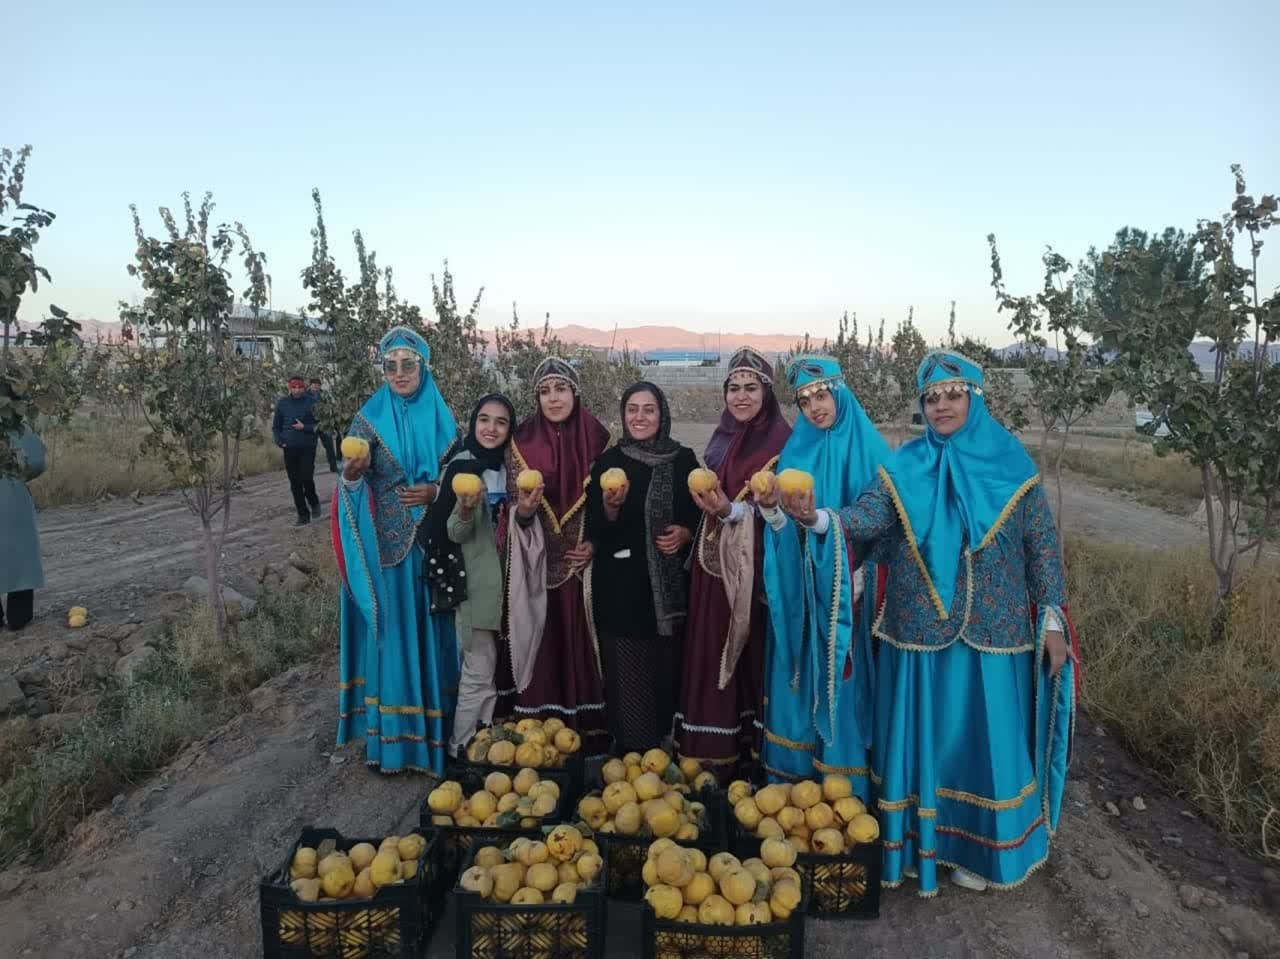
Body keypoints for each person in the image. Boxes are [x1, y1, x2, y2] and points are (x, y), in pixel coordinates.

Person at [782, 349, 1079, 895]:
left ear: (975, 398)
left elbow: (1040, 545)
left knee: (984, 746)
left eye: (952, 395)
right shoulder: (906, 465)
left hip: (995, 631)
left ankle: (982, 853)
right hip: (917, 629)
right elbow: (869, 515)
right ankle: (925, 845)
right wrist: (820, 519)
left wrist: (1054, 618)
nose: (941, 406)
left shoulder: (1011, 464)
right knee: (928, 742)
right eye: (932, 397)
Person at [756, 356, 892, 794]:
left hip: (849, 593)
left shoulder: (874, 452)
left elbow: (882, 519)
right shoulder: (796, 450)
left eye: (821, 395)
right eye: (804, 401)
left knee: (842, 684)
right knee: (797, 680)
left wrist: (861, 565)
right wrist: (773, 517)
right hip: (804, 592)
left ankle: (842, 791)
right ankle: (791, 786)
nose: (814, 408)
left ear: (840, 393)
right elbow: (789, 528)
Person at [332, 327, 460, 775]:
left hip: (433, 549)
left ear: (424, 367)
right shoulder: (367, 420)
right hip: (388, 555)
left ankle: (441, 738)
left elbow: (466, 476)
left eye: (409, 365)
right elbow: (347, 486)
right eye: (391, 366)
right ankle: (395, 744)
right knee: (395, 639)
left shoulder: (444, 419)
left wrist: (436, 491)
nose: (400, 373)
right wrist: (352, 476)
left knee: (436, 637)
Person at [673, 348, 791, 781]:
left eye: (751, 388)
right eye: (734, 388)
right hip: (711, 568)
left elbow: (783, 514)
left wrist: (732, 513)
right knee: (712, 653)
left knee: (750, 653)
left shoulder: (784, 443)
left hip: (753, 569)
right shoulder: (721, 438)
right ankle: (712, 753)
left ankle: (753, 758)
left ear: (768, 393)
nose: (741, 396)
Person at [497, 357, 611, 756]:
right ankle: (538, 743)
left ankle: (589, 742)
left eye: (561, 389)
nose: (553, 398)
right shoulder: (520, 443)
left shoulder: (599, 439)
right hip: (536, 565)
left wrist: (594, 543)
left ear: (575, 393)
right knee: (540, 647)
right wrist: (525, 513)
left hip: (583, 570)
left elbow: (609, 506)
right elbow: (511, 509)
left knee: (583, 649)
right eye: (544, 391)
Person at [418, 393, 540, 756]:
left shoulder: (509, 467)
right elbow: (451, 532)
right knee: (478, 673)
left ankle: (480, 749)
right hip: (476, 589)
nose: (491, 428)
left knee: (490, 672)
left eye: (501, 422)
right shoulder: (462, 468)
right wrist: (466, 511)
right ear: (473, 424)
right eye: (484, 419)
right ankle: (460, 749)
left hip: (507, 585)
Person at [584, 382, 700, 754]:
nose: (639, 417)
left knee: (666, 674)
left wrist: (685, 533)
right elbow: (596, 530)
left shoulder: (683, 460)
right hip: (622, 593)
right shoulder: (609, 462)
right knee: (628, 678)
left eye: (648, 409)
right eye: (632, 409)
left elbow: (700, 516)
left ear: (662, 415)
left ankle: (665, 753)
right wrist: (611, 507)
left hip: (668, 597)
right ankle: (632, 756)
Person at [1, 421, 46, 632]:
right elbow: (36, 462)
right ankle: (19, 616)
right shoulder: (15, 425)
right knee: (20, 556)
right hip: (11, 496)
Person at [273, 375, 321, 526]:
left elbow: (320, 426)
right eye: (294, 387)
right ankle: (303, 515)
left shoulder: (312, 402)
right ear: (289, 387)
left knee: (306, 478)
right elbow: (276, 426)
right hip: (290, 447)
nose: (297, 390)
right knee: (295, 482)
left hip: (307, 446)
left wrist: (304, 427)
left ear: (304, 387)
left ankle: (313, 501)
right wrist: (280, 441)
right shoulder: (282, 403)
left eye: (300, 387)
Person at [308, 377, 340, 473]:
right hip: (311, 424)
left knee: (329, 445)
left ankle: (333, 467)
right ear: (310, 385)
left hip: (324, 424)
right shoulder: (305, 395)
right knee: (311, 447)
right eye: (314, 386)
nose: (316, 388)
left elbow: (329, 407)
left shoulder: (324, 395)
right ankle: (310, 468)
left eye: (317, 386)